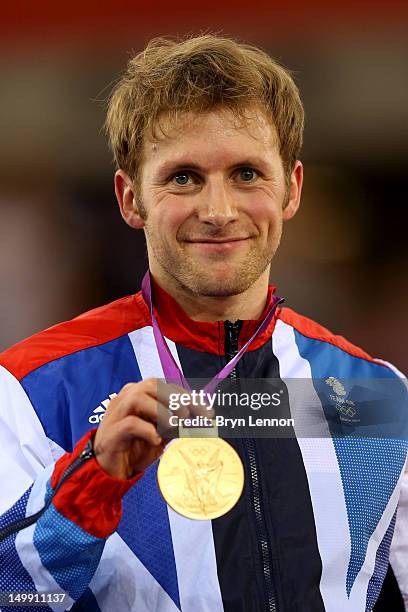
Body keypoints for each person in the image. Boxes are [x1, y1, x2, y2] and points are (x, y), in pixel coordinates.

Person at [0, 34, 406, 612]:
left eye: (246, 174)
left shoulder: (375, 395)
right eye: (184, 177)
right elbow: (10, 597)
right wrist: (86, 490)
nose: (218, 212)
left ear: (291, 189)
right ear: (130, 197)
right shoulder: (34, 390)